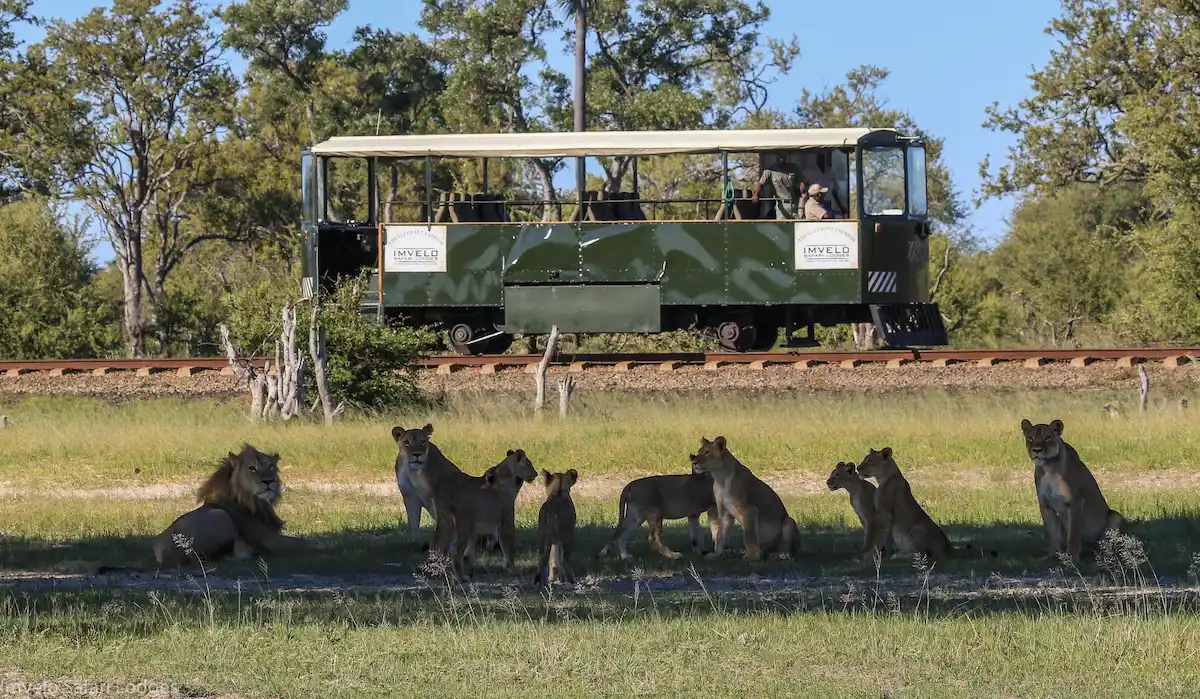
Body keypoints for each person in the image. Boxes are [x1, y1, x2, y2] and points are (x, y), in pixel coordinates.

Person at [752, 153, 803, 219]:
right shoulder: (770, 171)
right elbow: (761, 183)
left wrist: (802, 188)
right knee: (783, 226)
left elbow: (802, 181)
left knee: (798, 225)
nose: (781, 158)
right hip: (781, 204)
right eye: (779, 155)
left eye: (783, 154)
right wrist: (756, 194)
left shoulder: (793, 168)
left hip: (795, 204)